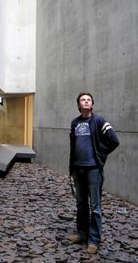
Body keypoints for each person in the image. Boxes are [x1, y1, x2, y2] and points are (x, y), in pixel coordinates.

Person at [69, 92, 119, 254]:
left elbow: (114, 140)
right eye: (83, 100)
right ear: (78, 104)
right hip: (78, 168)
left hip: (93, 169)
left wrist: (101, 154)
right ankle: (82, 233)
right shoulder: (75, 123)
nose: (86, 101)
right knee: (81, 204)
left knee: (95, 207)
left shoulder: (99, 120)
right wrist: (71, 168)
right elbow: (73, 147)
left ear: (92, 104)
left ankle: (94, 240)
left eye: (88, 100)